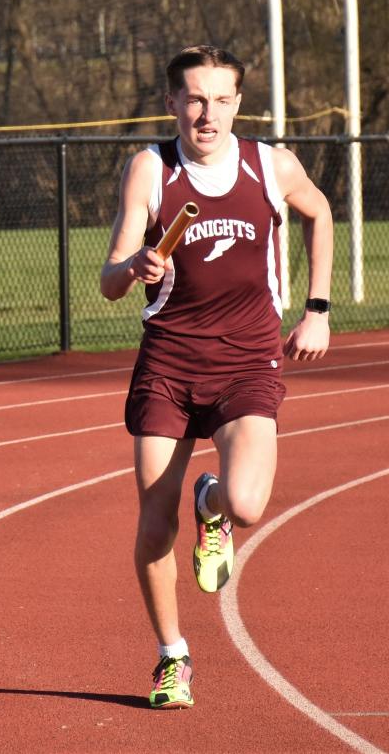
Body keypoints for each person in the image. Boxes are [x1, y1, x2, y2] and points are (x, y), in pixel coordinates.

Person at [100, 45, 333, 709]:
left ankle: (213, 504)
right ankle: (172, 657)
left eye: (221, 99)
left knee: (249, 504)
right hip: (169, 363)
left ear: (238, 103)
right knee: (151, 525)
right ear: (171, 102)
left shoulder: (269, 164)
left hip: (246, 360)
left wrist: (317, 309)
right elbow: (111, 279)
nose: (208, 112)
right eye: (194, 98)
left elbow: (320, 213)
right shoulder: (150, 170)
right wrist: (136, 264)